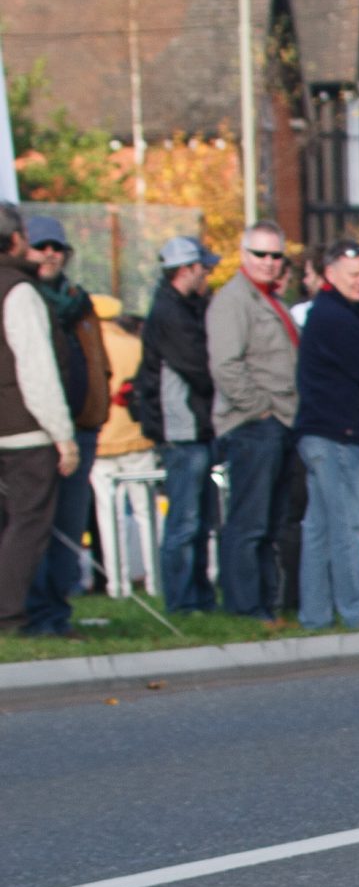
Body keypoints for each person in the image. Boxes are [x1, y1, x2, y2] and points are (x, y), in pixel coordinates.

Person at [292, 238, 359, 630]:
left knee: (320, 528)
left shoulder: (331, 314)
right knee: (349, 525)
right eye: (354, 274)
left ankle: (316, 614)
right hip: (338, 433)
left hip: (323, 431)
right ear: (330, 273)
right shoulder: (335, 318)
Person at [207, 220, 302, 619]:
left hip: (280, 421)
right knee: (249, 521)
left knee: (271, 522)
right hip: (255, 424)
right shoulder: (233, 300)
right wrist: (259, 408)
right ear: (243, 255)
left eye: (276, 255)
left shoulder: (271, 299)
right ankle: (244, 607)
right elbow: (225, 365)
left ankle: (266, 603)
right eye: (260, 254)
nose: (268, 262)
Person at [21, 215, 111, 634]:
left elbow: (97, 363)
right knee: (36, 527)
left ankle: (58, 612)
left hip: (82, 427)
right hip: (37, 433)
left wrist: (97, 409)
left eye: (57, 247)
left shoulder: (80, 303)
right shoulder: (22, 299)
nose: (50, 254)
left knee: (70, 526)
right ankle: (34, 614)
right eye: (41, 246)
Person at [0, 203, 79, 635]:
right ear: (16, 240)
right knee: (28, 526)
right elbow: (37, 369)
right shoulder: (19, 291)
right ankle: (9, 617)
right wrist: (62, 435)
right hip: (25, 430)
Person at [133, 236, 218, 611]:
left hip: (193, 427)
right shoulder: (170, 313)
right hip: (181, 430)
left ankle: (198, 598)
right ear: (186, 270)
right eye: (203, 269)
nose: (207, 276)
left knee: (198, 521)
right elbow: (199, 366)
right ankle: (182, 602)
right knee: (184, 522)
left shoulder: (183, 308)